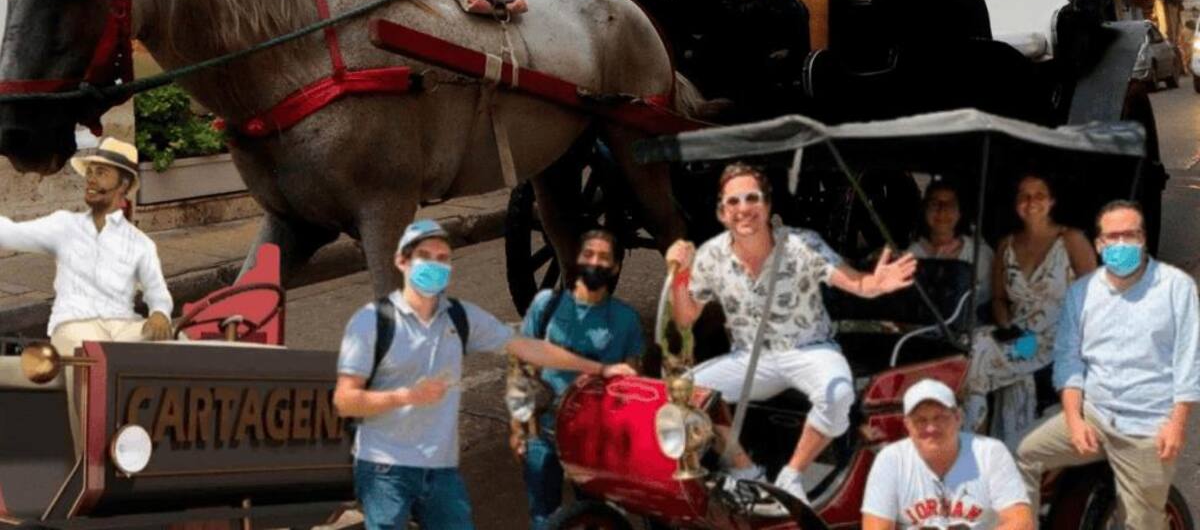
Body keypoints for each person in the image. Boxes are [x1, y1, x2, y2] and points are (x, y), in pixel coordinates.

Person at [334, 219, 636, 530]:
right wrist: (406, 396)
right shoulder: (371, 323)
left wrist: (599, 368)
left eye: (442, 259)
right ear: (401, 262)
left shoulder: (458, 317)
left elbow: (527, 348)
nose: (434, 267)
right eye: (424, 257)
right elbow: (345, 401)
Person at [666, 163, 917, 505]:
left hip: (810, 350)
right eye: (733, 201)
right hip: (753, 357)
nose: (743, 209)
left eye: (751, 198)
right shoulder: (713, 255)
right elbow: (686, 316)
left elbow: (853, 281)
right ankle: (745, 471)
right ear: (723, 212)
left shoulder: (802, 244)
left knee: (839, 393)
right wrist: (681, 274)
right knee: (685, 394)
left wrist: (876, 283)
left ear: (767, 205)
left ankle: (793, 475)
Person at [1017, 201, 1199, 529]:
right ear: (1099, 245)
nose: (1120, 245)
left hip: (1145, 428)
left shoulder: (1176, 289)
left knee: (1141, 522)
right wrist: (1074, 419)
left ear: (1142, 239)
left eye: (1128, 235)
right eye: (1111, 237)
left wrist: (1176, 424)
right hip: (1095, 414)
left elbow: (1189, 365)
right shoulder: (1083, 292)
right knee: (1022, 455)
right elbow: (1069, 361)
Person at [511, 228, 644, 530]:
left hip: (594, 439)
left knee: (598, 515)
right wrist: (519, 428)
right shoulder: (546, 305)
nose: (594, 263)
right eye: (588, 255)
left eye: (603, 258)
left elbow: (633, 383)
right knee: (544, 516)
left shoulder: (626, 320)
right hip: (543, 435)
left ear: (616, 267)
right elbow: (522, 368)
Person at [0, 137, 173, 352]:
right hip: (74, 323)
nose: (90, 179)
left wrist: (160, 313)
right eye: (90, 172)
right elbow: (9, 233)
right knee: (92, 352)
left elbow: (158, 293)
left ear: (124, 184)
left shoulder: (141, 243)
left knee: (176, 341)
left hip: (122, 325)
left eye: (101, 173)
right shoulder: (65, 225)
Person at [963, 174, 1095, 444]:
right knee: (975, 343)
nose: (1031, 202)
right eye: (1024, 196)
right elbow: (999, 299)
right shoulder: (1007, 245)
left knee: (979, 355)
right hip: (1021, 336)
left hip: (1057, 338)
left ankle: (972, 442)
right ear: (1016, 204)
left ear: (1051, 201)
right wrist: (1007, 328)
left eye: (1039, 195)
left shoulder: (1071, 240)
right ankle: (989, 441)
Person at [861, 379, 1034, 530]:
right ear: (907, 425)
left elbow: (1021, 522)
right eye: (921, 420)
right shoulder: (890, 459)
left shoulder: (990, 452)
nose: (931, 428)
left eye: (940, 417)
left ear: (958, 417)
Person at [907, 180, 994, 308]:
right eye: (935, 204)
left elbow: (986, 301)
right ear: (925, 210)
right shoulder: (911, 254)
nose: (942, 211)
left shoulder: (979, 254)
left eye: (950, 205)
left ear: (960, 212)